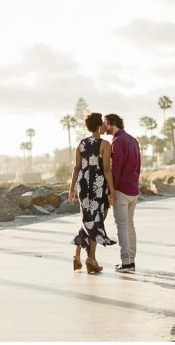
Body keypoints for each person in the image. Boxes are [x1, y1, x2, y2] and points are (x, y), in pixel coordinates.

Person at [69, 112, 116, 274]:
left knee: (87, 218)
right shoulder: (105, 144)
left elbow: (76, 168)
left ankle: (77, 256)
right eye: (102, 123)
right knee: (95, 219)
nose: (104, 126)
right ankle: (91, 259)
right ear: (98, 126)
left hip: (83, 185)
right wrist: (112, 190)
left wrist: (72, 189)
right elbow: (107, 169)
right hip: (98, 185)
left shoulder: (81, 144)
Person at [104, 113, 140, 273]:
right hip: (133, 190)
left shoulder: (117, 142)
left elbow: (115, 169)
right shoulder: (133, 140)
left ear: (112, 123)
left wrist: (111, 191)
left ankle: (125, 263)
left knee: (122, 226)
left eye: (105, 123)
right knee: (130, 225)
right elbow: (138, 166)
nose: (104, 126)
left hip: (122, 190)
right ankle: (131, 261)